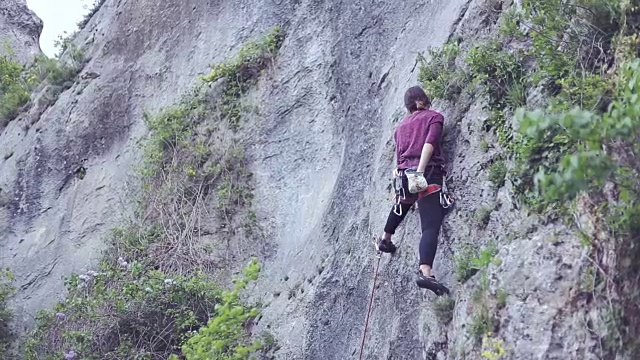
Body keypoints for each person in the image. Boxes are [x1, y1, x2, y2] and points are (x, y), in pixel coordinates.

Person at [376, 86, 450, 296]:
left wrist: (401, 180)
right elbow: (430, 143)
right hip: (426, 173)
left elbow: (399, 158)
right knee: (430, 226)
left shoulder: (400, 128)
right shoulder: (434, 117)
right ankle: (425, 271)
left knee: (404, 201)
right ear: (420, 101)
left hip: (403, 176)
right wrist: (420, 172)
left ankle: (386, 238)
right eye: (426, 99)